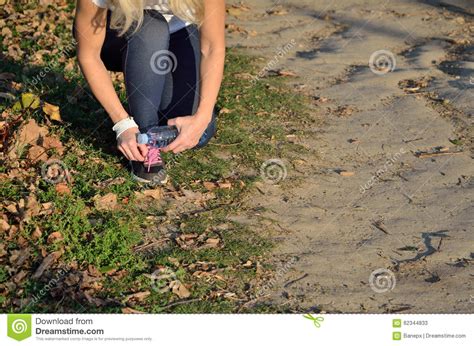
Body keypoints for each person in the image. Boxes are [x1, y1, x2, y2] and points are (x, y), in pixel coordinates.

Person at [73, 0, 225, 183]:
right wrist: (123, 125)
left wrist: (203, 116)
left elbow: (212, 48)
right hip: (119, 32)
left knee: (202, 132)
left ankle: (152, 110)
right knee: (151, 26)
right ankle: (144, 139)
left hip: (177, 35)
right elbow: (88, 55)